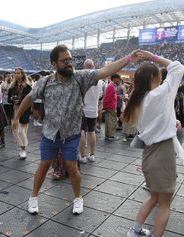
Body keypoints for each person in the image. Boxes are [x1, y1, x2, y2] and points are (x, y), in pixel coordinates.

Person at [12, 44, 145, 215]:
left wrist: (128, 59)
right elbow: (29, 98)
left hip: (71, 134)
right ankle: (33, 198)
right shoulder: (44, 82)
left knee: (72, 167)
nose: (69, 63)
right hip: (50, 133)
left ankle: (77, 199)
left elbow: (105, 71)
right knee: (44, 165)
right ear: (53, 63)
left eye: (70, 59)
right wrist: (16, 117)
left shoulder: (80, 77)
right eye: (64, 60)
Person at [122, 52, 184, 237]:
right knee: (165, 203)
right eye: (159, 75)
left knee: (154, 197)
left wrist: (171, 123)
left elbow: (156, 122)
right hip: (163, 152)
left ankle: (135, 231)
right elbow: (178, 67)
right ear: (152, 78)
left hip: (149, 153)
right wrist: (152, 56)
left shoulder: (137, 100)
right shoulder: (160, 94)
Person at [79, 59, 104, 163]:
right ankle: (92, 155)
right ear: (93, 66)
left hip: (83, 110)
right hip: (93, 110)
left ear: (85, 67)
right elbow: (101, 96)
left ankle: (83, 156)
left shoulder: (82, 78)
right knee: (91, 131)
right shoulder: (101, 81)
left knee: (82, 132)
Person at [8, 67, 32, 159]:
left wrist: (20, 100)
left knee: (21, 131)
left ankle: (23, 149)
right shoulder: (12, 86)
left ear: (22, 74)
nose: (17, 74)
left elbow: (30, 99)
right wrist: (12, 99)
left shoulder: (27, 86)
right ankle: (21, 148)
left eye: (18, 73)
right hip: (14, 109)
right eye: (16, 73)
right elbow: (9, 98)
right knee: (15, 131)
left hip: (24, 110)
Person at [103, 74, 120, 140]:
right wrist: (106, 107)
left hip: (110, 106)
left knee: (109, 121)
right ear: (115, 78)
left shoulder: (111, 86)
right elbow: (107, 97)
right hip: (111, 106)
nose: (119, 80)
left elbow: (111, 96)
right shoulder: (111, 86)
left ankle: (108, 135)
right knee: (112, 121)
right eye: (118, 79)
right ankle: (111, 135)